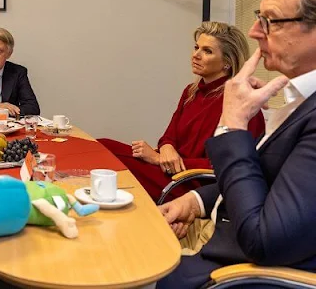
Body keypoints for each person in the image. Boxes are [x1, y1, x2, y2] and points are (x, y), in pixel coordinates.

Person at [157, 0, 316, 288]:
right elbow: (268, 182)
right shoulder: (298, 101)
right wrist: (196, 200)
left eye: (270, 21)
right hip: (222, 253)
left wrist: (233, 126)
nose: (255, 31)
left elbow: (265, 241)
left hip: (236, 276)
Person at [99, 22, 265, 202]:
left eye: (207, 51)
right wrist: (166, 148)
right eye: (196, 48)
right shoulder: (190, 92)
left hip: (191, 183)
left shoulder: (242, 101)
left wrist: (156, 158)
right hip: (169, 169)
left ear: (227, 62)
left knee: (107, 159)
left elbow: (230, 164)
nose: (196, 55)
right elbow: (169, 136)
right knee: (101, 145)